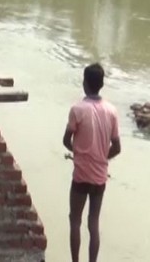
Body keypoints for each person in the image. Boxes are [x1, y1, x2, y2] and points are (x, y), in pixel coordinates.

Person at [63, 63, 121, 262]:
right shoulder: (112, 111)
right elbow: (117, 147)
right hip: (99, 176)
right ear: (101, 84)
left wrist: (77, 152)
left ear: (85, 83)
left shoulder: (77, 109)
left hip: (81, 175)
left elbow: (66, 140)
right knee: (93, 223)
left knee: (74, 220)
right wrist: (102, 158)